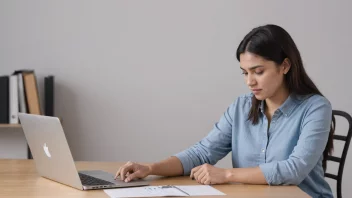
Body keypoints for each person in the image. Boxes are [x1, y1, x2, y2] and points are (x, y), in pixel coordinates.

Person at [115, 24, 334, 198]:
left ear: (284, 66)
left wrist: (226, 174)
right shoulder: (241, 107)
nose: (250, 81)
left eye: (258, 71)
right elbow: (201, 153)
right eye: (244, 72)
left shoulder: (315, 108)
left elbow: (294, 170)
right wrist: (150, 168)